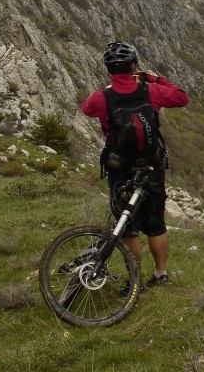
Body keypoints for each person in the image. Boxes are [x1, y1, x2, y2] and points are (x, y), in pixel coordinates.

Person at [81, 41, 189, 287]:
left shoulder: (102, 97)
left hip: (120, 169)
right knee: (156, 223)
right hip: (152, 166)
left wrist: (109, 89)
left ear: (109, 69)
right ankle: (161, 274)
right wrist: (155, 79)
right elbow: (182, 98)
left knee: (128, 228)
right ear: (133, 66)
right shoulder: (150, 90)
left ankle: (135, 279)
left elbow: (86, 109)